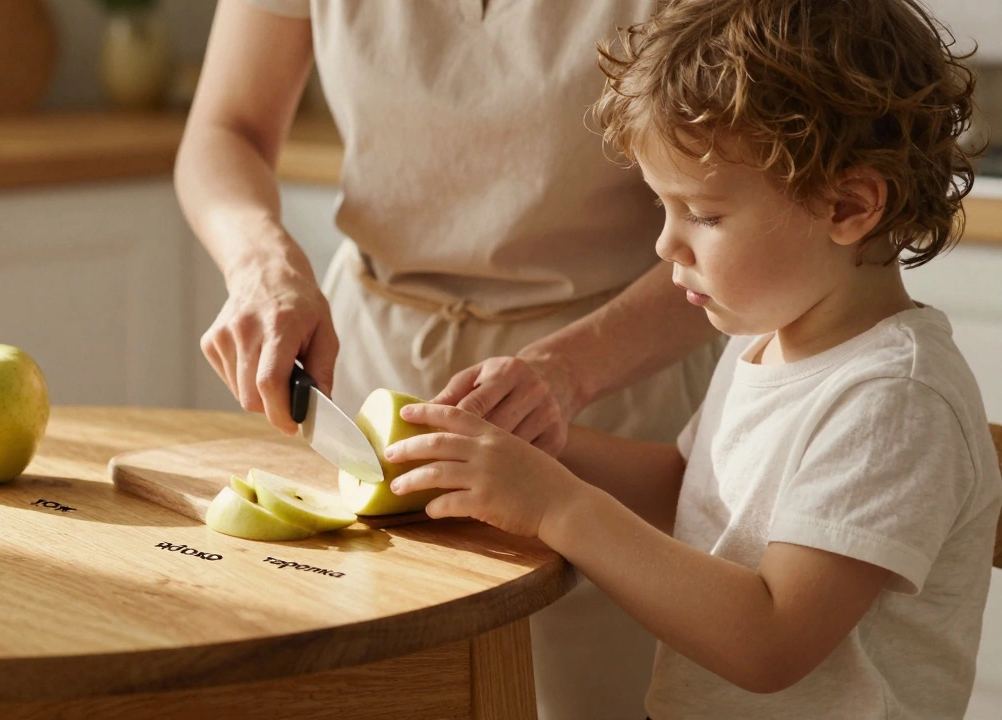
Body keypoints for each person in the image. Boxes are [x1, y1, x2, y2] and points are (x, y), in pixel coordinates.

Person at [384, 0, 1002, 717]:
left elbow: (770, 640)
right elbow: (694, 489)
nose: (665, 246)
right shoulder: (766, 339)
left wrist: (556, 504)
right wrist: (539, 449)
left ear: (847, 207)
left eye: (704, 215)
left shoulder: (893, 401)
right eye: (663, 208)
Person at [174, 2, 727, 717]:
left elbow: (749, 203)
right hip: (368, 363)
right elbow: (226, 128)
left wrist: (568, 369)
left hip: (612, 392)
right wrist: (260, 264)